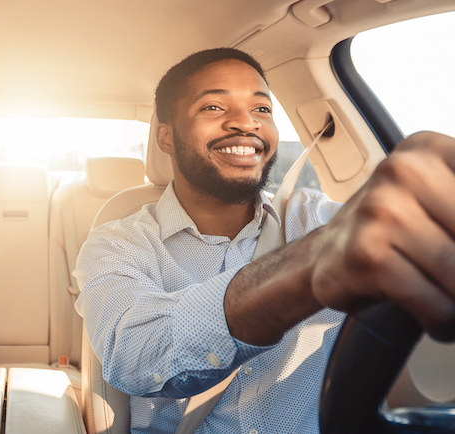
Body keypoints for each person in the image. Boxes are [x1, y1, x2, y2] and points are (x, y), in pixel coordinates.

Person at [74, 47, 455, 433]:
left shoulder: (318, 218)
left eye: (262, 110)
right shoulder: (117, 243)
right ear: (167, 137)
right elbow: (134, 355)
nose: (245, 123)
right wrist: (307, 268)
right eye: (213, 108)